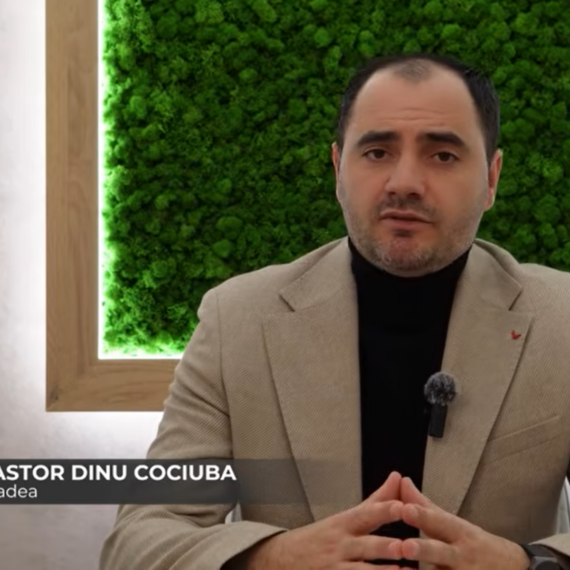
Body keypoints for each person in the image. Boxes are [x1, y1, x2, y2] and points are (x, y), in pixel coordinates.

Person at [99, 52, 570, 570]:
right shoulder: (236, 320)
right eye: (377, 152)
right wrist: (270, 558)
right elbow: (138, 541)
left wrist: (527, 565)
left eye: (442, 155)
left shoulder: (562, 321)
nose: (404, 182)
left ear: (492, 179)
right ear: (338, 170)